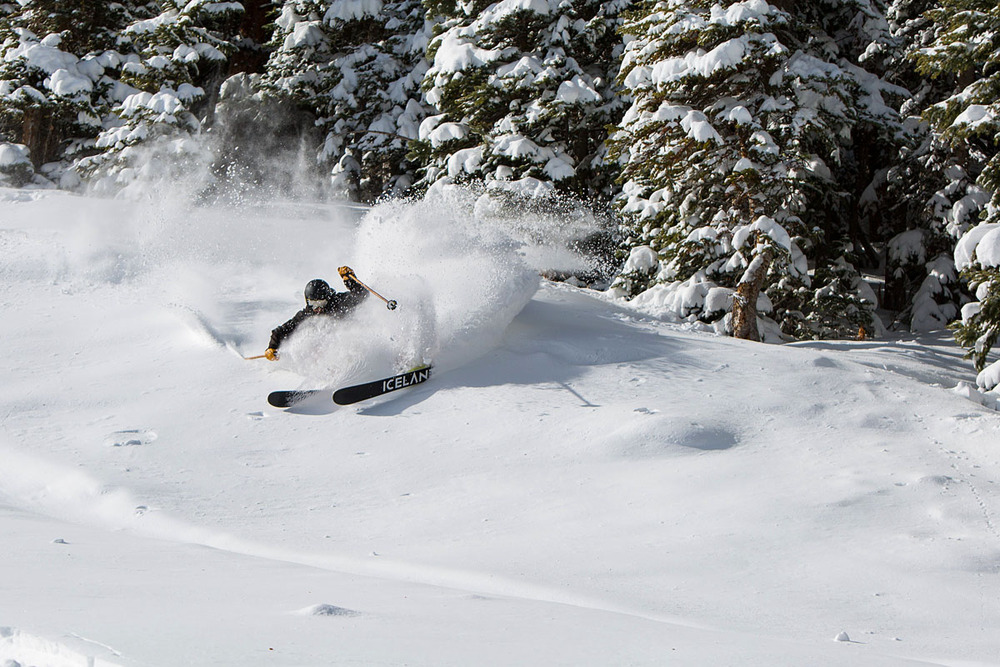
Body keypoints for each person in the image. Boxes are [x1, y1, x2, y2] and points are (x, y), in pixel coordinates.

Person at [263, 266, 368, 360]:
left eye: (321, 303)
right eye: (313, 303)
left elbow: (362, 295)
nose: (317, 308)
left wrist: (350, 281)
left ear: (327, 298)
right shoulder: (308, 312)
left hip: (356, 337)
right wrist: (272, 347)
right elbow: (284, 329)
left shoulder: (339, 302)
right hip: (332, 347)